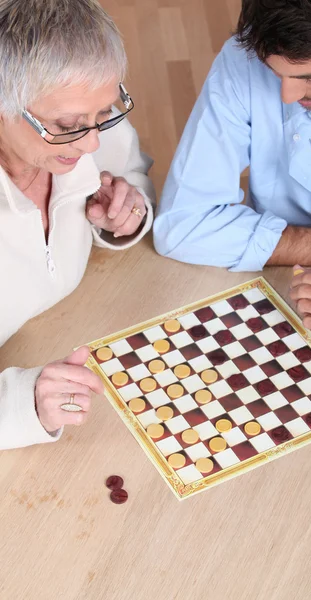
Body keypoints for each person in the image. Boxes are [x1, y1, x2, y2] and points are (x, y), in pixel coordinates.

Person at [154, 0, 311, 345]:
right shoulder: (245, 60)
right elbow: (183, 224)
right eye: (275, 73)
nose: (287, 94)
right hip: (274, 306)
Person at [0, 0, 155, 450]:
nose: (91, 142)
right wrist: (21, 405)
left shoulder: (88, 126)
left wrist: (125, 217)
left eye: (104, 113)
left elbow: (133, 171)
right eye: (68, 125)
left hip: (84, 321)